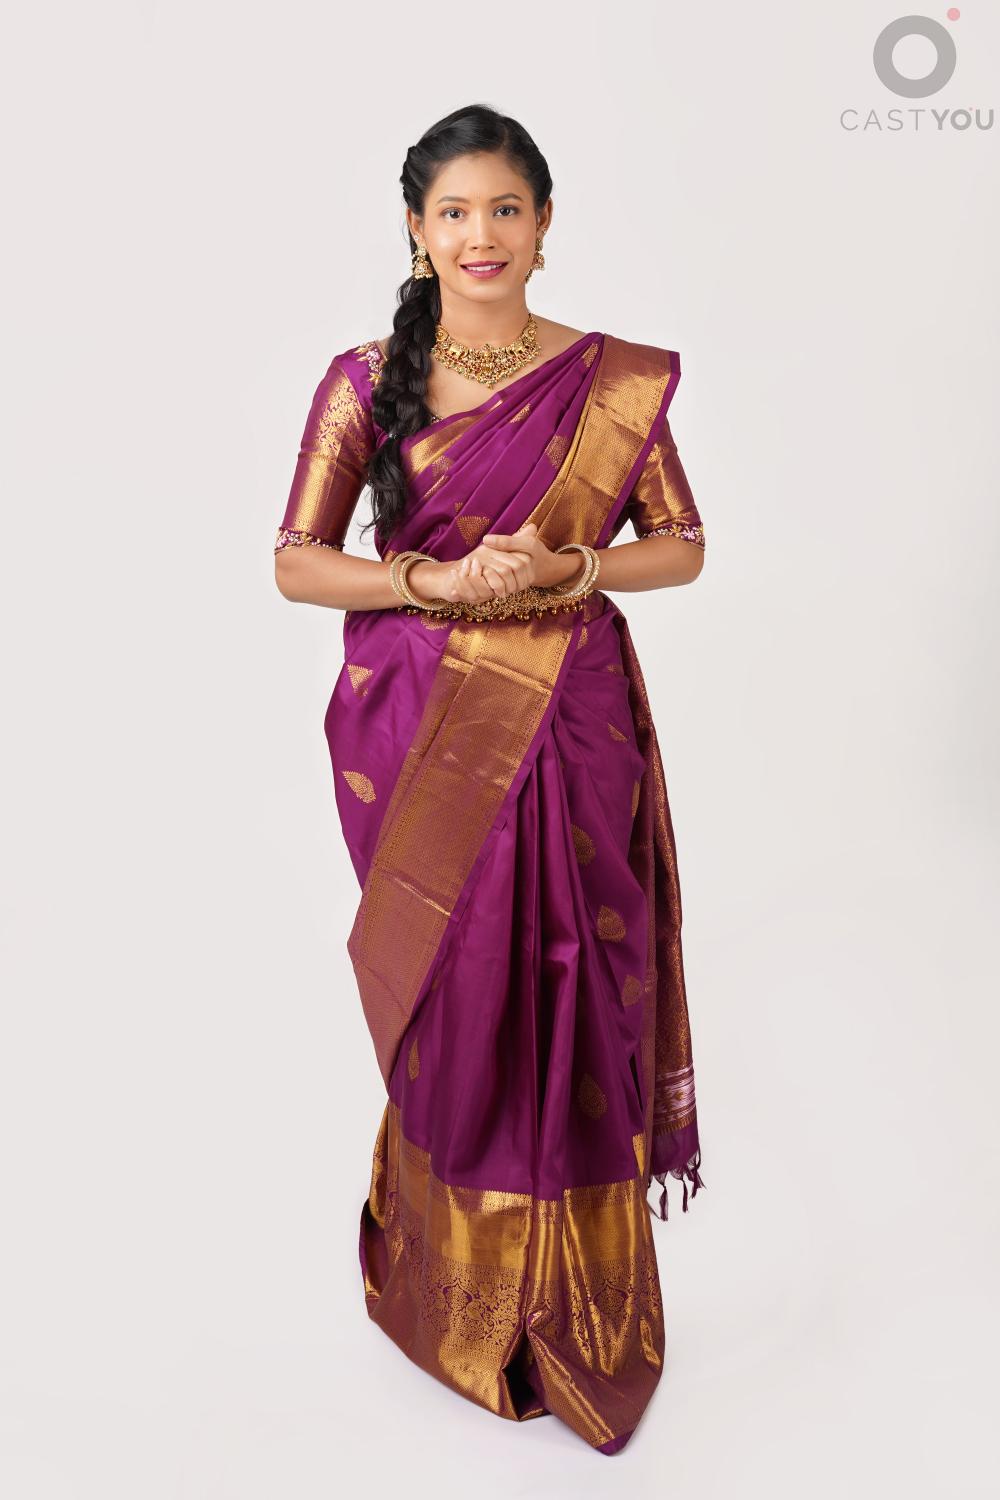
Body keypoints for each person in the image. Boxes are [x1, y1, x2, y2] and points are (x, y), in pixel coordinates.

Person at [273, 103, 706, 1456]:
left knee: (579, 978)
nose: (481, 235)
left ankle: (575, 1305)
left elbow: (683, 544)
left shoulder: (607, 381)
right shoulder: (363, 380)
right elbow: (296, 561)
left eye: (504, 210)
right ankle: (452, 1299)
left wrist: (573, 566)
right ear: (417, 229)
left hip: (572, 716)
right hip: (422, 728)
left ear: (544, 223)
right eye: (454, 212)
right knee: (461, 990)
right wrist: (435, 581)